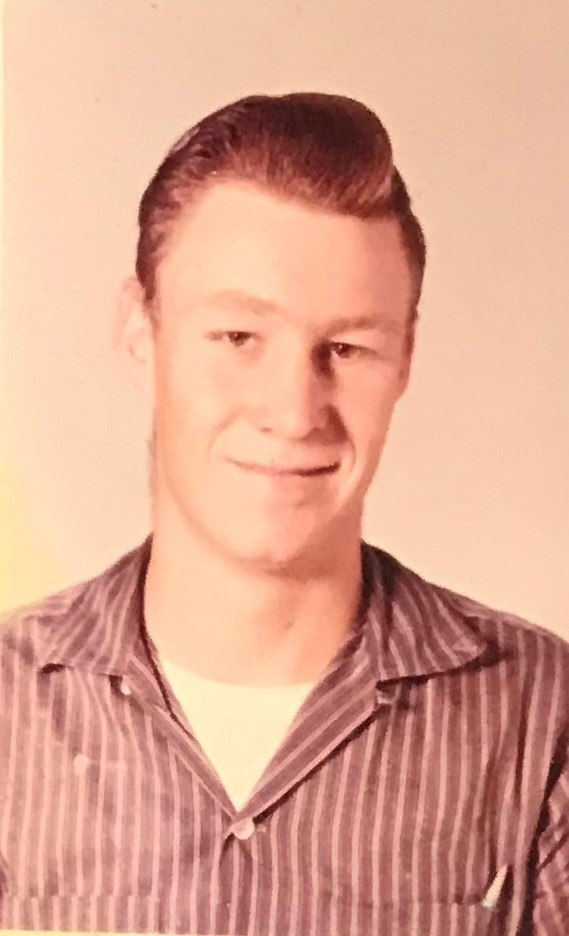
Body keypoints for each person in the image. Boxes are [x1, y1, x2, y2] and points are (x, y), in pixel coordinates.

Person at [0, 92, 567, 936]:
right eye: (238, 337)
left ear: (405, 359)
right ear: (140, 334)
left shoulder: (544, 718)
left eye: (346, 348)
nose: (294, 412)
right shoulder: (9, 706)